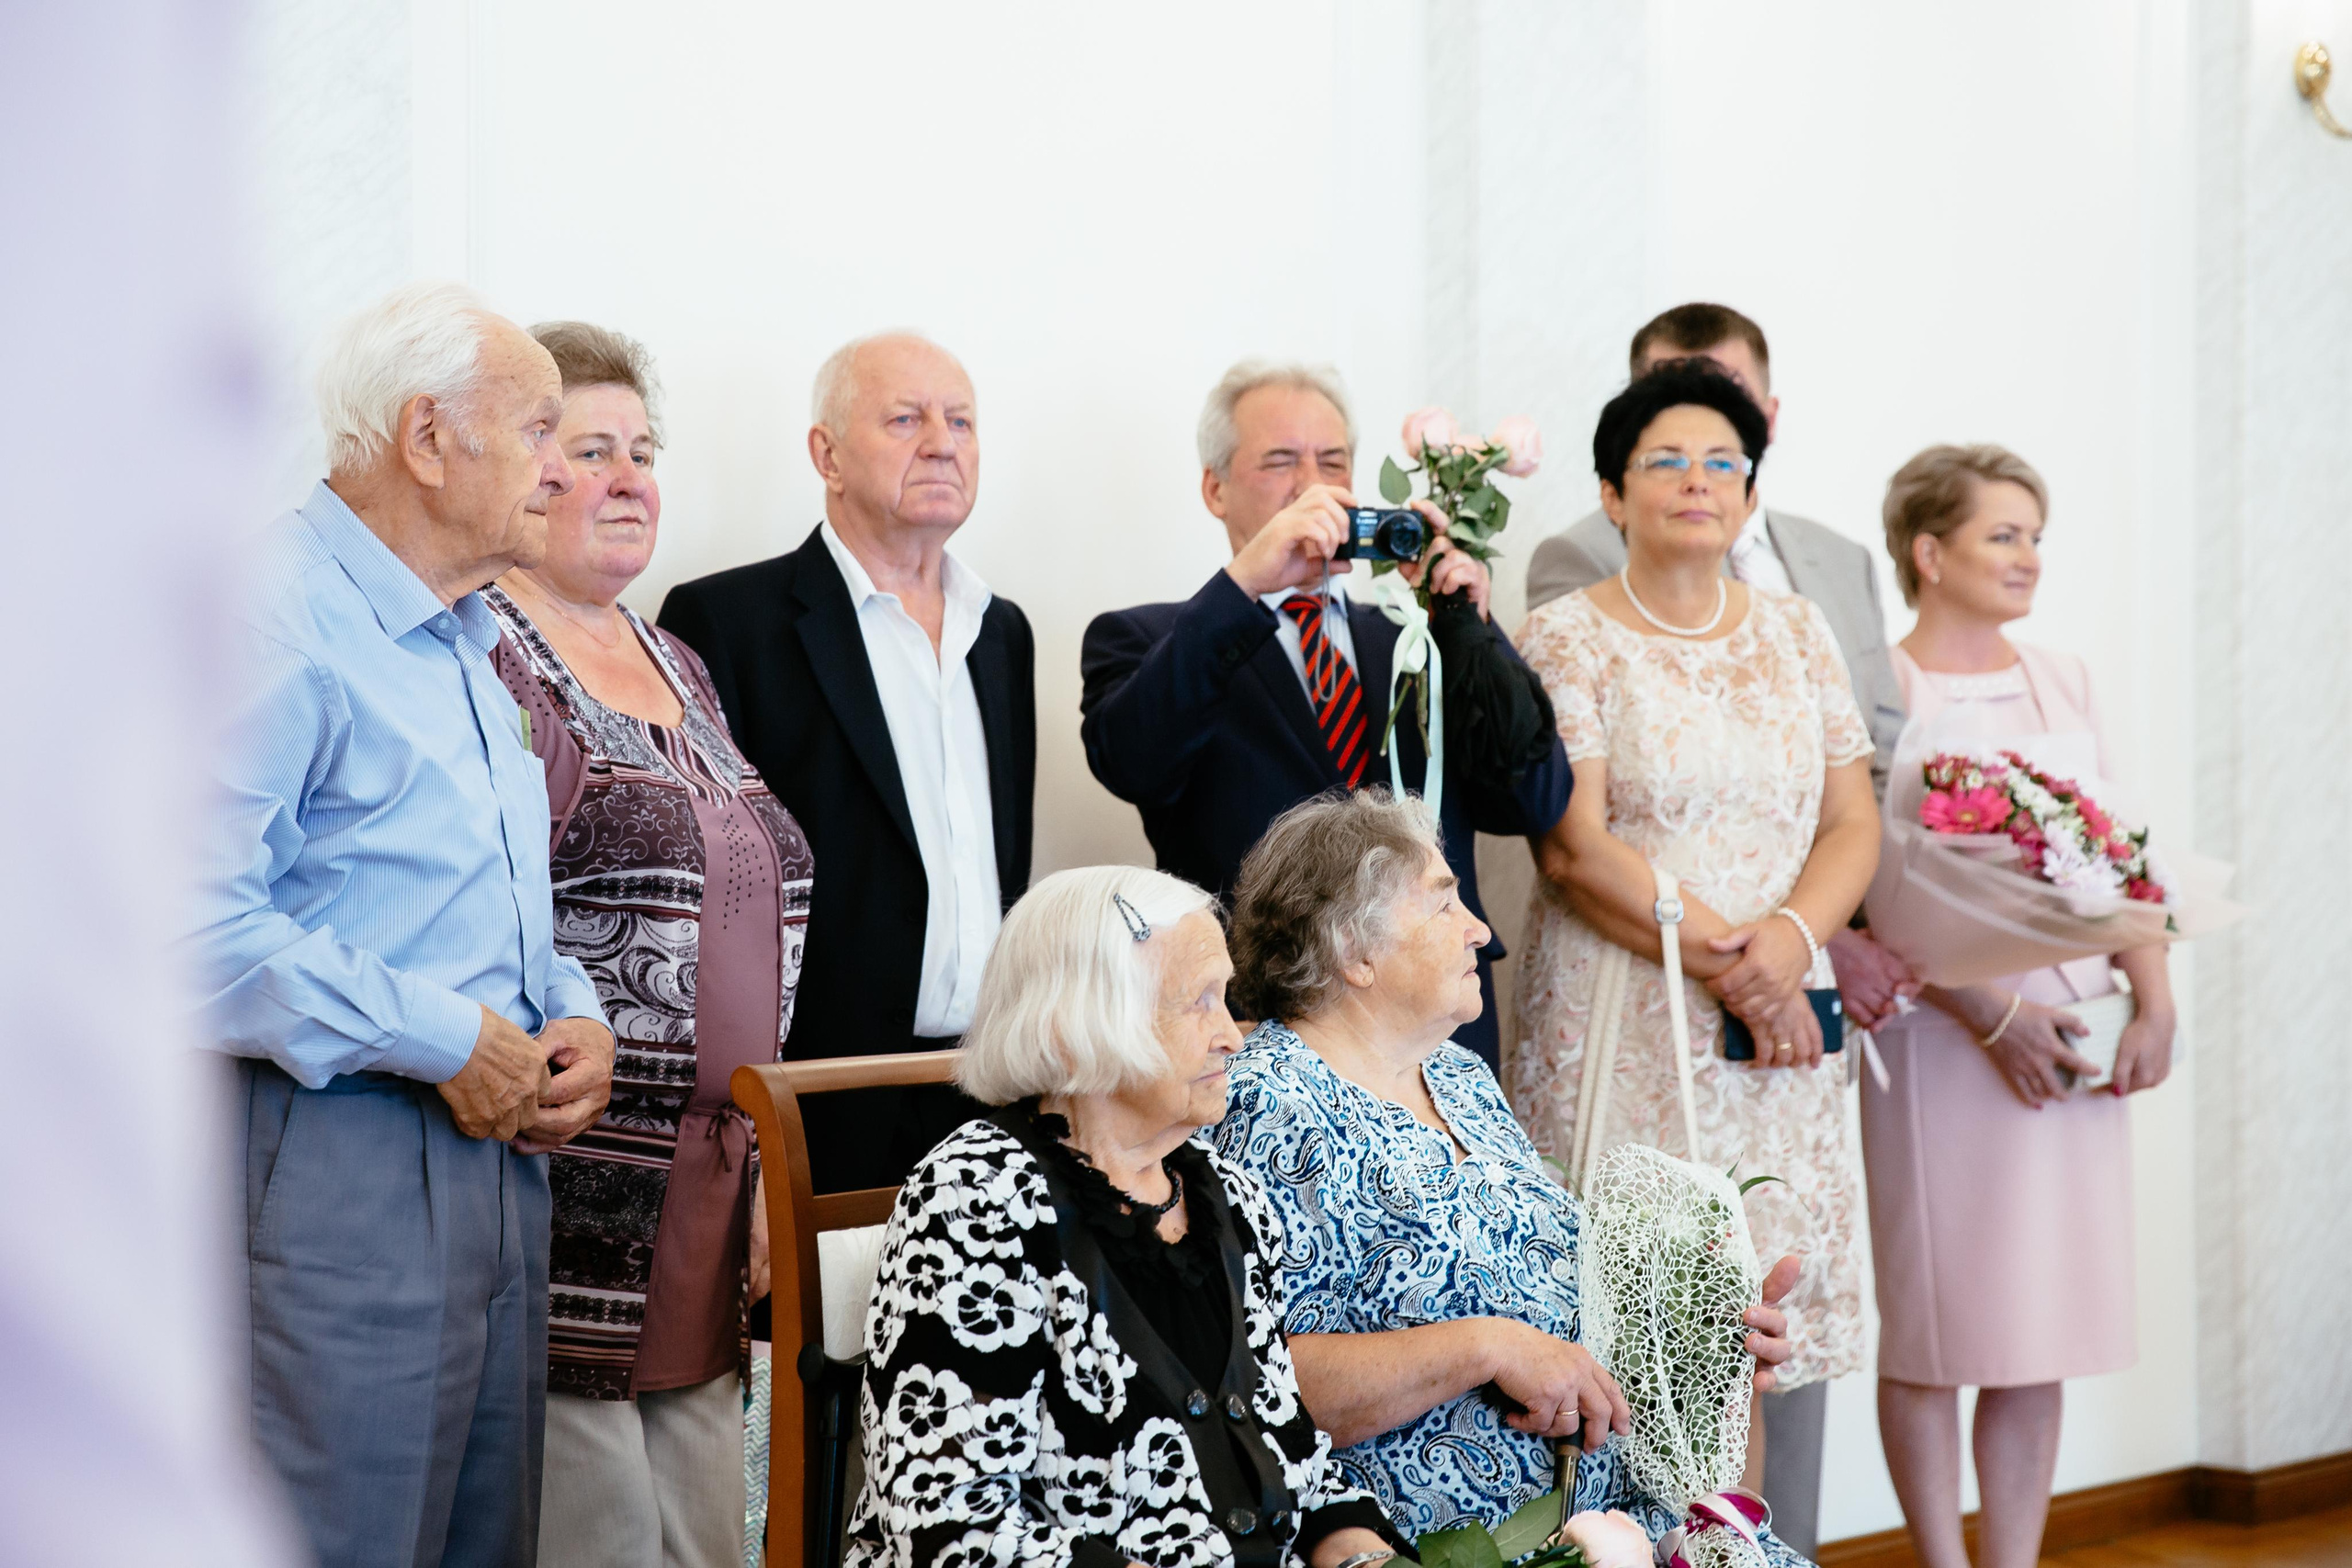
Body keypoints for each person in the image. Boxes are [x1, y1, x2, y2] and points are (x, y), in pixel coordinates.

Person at [191, 282, 618, 1568]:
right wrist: (446, 1037)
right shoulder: (263, 612)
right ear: (428, 438)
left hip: (500, 1165)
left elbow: (479, 904)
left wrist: (574, 1010)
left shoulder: (472, 639)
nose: (566, 471)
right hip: (340, 1160)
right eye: (542, 431)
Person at [1213, 790, 1811, 1566]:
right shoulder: (1271, 1101)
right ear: (1352, 952)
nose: (1480, 931)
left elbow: (1546, 1296)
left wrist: (1698, 1341)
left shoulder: (1458, 1076)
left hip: (1616, 1510)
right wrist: (1482, 1347)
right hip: (1454, 1540)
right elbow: (1261, 1380)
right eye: (1441, 906)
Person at [1508, 360, 1881, 1557]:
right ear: (1613, 491)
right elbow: (1576, 845)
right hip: (1630, 1023)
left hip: (1774, 1032)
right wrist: (1739, 958)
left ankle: (1736, 1551)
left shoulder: (1797, 629)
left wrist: (1790, 943)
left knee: (1747, 1335)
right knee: (1631, 1327)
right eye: (1667, 458)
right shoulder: (1564, 634)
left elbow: (1853, 822)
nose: (1698, 480)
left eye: (1725, 461)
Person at [482, 321, 815, 1568]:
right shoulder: (493, 653)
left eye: (642, 449)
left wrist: (771, 1156)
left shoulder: (678, 659)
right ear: (524, 469)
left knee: (714, 1538)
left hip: (718, 1187)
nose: (628, 475)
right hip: (580, 1186)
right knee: (599, 1535)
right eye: (589, 448)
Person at [844, 864, 1419, 1568]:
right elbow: (954, 1531)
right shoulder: (975, 1200)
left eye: (1226, 997)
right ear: (1079, 1024)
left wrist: (1361, 1555)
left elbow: (1293, 1459)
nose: (1232, 1035)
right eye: (1199, 1002)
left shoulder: (1225, 1197)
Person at [1847, 446, 2176, 1568]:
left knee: (2038, 1330)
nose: (2028, 556)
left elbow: (2118, 851)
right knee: (1938, 1329)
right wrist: (1992, 1015)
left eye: (2035, 535)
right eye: (2003, 534)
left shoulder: (2063, 679)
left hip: (2075, 1033)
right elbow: (1873, 888)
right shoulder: (1877, 689)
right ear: (1928, 553)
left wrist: (2154, 996)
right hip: (1943, 1043)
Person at [1081, 360, 1571, 1066]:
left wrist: (1469, 625)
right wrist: (1245, 585)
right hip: (1255, 1026)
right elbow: (1134, 762)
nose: (1314, 485)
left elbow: (1537, 796)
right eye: (1281, 461)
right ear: (1214, 488)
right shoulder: (1148, 639)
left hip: (1439, 1034)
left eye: (1333, 461)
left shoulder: (1418, 636)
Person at [660, 332, 1033, 1190]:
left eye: (962, 421)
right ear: (825, 453)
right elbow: (710, 893)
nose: (942, 441)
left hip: (988, 1086)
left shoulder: (1002, 630)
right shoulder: (729, 622)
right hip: (813, 1091)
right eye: (905, 418)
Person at [1523, 303, 1905, 788]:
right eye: (1671, 393)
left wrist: (1843, 858)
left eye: (1728, 393)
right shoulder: (1576, 559)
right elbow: (1568, 781)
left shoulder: (1843, 559)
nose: (1699, 411)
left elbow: (1885, 750)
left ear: (1767, 416)